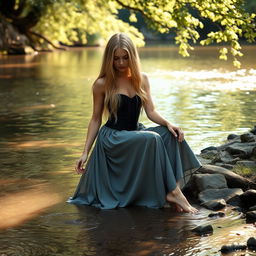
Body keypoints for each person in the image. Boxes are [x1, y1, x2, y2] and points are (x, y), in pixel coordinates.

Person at [68, 33, 201, 213]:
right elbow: (95, 119)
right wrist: (85, 152)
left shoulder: (142, 79)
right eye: (116, 59)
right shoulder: (102, 84)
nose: (121, 63)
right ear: (109, 59)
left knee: (170, 135)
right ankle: (174, 193)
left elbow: (151, 111)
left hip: (134, 132)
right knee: (152, 138)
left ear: (132, 56)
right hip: (113, 138)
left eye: (125, 58)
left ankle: (173, 191)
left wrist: (169, 124)